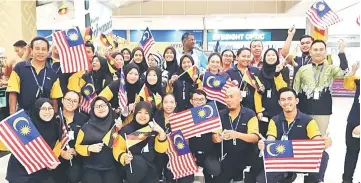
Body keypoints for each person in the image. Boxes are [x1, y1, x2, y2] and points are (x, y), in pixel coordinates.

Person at [256, 87, 332, 183]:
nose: (286, 102)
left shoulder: (308, 120)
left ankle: (315, 180)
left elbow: (316, 140)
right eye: (283, 100)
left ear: (296, 100)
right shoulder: (274, 120)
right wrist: (264, 144)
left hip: (302, 157)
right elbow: (271, 139)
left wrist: (324, 142)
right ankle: (288, 176)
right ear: (279, 103)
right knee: (261, 180)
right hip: (282, 157)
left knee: (323, 155)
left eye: (289, 99)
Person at [293, 40, 349, 136]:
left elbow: (344, 72)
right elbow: (295, 90)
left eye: (321, 49)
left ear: (325, 52)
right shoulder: (302, 70)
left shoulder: (331, 69)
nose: (318, 52)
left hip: (323, 110)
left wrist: (342, 52)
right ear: (310, 52)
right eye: (315, 49)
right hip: (303, 110)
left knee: (320, 137)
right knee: (302, 136)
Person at [211, 87, 260, 183]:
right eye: (226, 97)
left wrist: (237, 135)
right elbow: (213, 137)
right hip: (225, 155)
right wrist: (219, 137)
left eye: (231, 97)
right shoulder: (220, 114)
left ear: (240, 98)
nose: (228, 100)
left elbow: (255, 137)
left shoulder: (250, 114)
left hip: (245, 155)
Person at [6, 98, 61, 183]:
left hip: (42, 170)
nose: (47, 111)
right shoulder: (27, 127)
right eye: (43, 108)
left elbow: (57, 147)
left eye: (50, 108)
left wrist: (53, 161)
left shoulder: (56, 126)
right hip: (22, 170)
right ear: (36, 110)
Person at [113, 101, 168, 183]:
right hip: (134, 174)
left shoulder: (154, 129)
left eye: (146, 113)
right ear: (135, 113)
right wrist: (124, 157)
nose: (142, 116)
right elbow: (117, 149)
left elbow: (161, 150)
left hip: (151, 174)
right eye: (139, 112)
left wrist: (161, 132)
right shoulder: (126, 130)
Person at [7, 37, 63, 114]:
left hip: (45, 115)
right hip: (24, 114)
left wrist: (54, 115)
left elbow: (54, 99)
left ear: (47, 52)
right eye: (37, 49)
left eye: (43, 49)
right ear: (31, 51)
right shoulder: (19, 68)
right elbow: (13, 92)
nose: (40, 52)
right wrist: (12, 114)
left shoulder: (52, 73)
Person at [75, 96, 121, 183]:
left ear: (108, 106)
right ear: (92, 109)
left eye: (103, 105)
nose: (101, 108)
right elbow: (77, 147)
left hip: (111, 167)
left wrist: (120, 129)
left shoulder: (116, 124)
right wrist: (89, 148)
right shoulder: (86, 127)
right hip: (91, 168)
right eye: (97, 106)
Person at [281, 26, 348, 86]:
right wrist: (290, 35)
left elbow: (343, 71)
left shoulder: (324, 59)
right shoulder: (296, 59)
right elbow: (284, 53)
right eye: (302, 43)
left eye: (307, 43)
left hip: (319, 95)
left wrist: (341, 52)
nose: (305, 45)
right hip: (299, 95)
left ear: (313, 44)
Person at [52, 91, 89, 183]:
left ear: (79, 104)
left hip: (76, 158)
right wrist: (61, 152)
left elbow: (88, 139)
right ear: (62, 100)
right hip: (56, 157)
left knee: (75, 176)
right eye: (68, 99)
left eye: (74, 101)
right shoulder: (53, 118)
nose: (71, 103)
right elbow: (48, 139)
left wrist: (77, 151)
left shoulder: (84, 119)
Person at [258, 48, 289, 136]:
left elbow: (283, 89)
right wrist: (259, 110)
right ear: (264, 58)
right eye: (268, 55)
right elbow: (257, 93)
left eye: (273, 55)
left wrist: (277, 73)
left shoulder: (284, 69)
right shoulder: (261, 72)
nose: (271, 57)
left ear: (277, 57)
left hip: (279, 108)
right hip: (264, 110)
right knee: (264, 135)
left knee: (279, 134)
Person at [226, 48, 264, 118]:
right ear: (237, 57)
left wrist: (261, 89)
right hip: (235, 108)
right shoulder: (229, 72)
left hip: (252, 108)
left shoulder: (255, 71)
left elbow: (259, 90)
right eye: (243, 56)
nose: (246, 59)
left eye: (248, 56)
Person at [342, 62, 360, 183]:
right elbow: (348, 86)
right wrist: (352, 72)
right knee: (351, 152)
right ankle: (347, 180)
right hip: (354, 120)